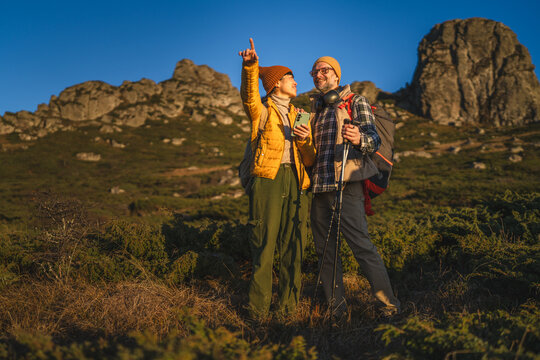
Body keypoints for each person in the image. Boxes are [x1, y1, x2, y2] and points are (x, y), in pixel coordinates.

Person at [308, 56, 400, 317]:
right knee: (325, 252)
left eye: (324, 70)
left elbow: (373, 139)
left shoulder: (355, 101)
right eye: (314, 72)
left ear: (336, 75)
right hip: (319, 189)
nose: (318, 75)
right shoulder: (313, 107)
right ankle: (336, 310)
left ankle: (389, 307)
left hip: (347, 185)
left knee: (361, 247)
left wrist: (359, 137)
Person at [238, 38, 315, 319]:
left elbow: (310, 159)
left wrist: (306, 142)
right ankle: (257, 313)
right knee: (264, 246)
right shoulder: (263, 109)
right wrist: (250, 67)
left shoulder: (301, 115)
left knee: (294, 247)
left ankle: (288, 311)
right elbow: (248, 97)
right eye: (290, 78)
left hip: (296, 182)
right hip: (267, 180)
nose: (295, 82)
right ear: (275, 84)